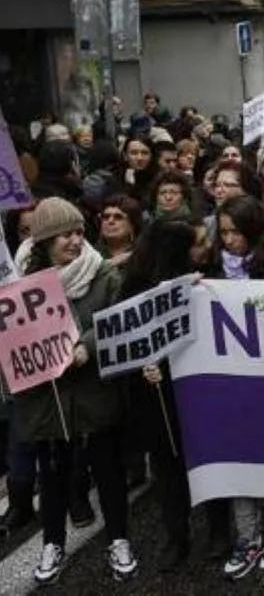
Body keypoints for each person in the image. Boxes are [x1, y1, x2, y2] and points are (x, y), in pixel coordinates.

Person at [15, 198, 136, 584]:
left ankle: (119, 539)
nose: (75, 240)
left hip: (93, 392)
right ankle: (53, 542)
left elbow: (115, 320)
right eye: (66, 234)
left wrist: (88, 345)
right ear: (46, 240)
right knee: (52, 476)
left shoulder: (103, 276)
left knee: (107, 470)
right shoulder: (18, 286)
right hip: (46, 400)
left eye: (80, 232)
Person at [117, 219, 225, 571]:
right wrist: (142, 366)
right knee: (167, 467)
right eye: (197, 243)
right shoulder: (134, 288)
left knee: (209, 460)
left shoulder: (206, 280)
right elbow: (125, 339)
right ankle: (176, 538)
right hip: (155, 393)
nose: (205, 247)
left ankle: (219, 531)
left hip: (199, 388)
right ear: (176, 251)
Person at [210, 196, 264, 580]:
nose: (229, 239)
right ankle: (248, 538)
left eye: (236, 232)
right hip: (229, 383)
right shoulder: (212, 265)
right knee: (238, 461)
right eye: (224, 232)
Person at [95, 194, 143, 265]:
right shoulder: (88, 254)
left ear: (132, 225)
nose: (110, 221)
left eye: (118, 217)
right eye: (105, 217)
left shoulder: (144, 256)